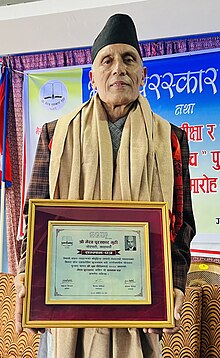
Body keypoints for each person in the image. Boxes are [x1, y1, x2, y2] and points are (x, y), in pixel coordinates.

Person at [14, 13, 196, 358]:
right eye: (107, 60)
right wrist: (27, 280)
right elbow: (33, 219)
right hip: (67, 312)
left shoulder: (170, 138)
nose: (118, 68)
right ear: (93, 76)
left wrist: (175, 288)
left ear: (143, 74)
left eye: (129, 59)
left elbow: (180, 224)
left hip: (139, 311)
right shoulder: (55, 135)